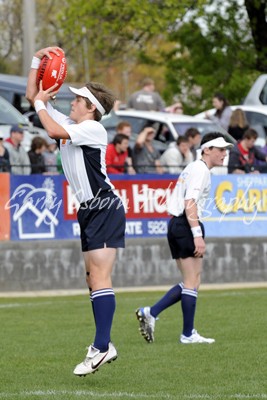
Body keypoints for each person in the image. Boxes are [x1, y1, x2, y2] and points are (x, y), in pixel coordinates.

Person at [26, 46, 126, 376]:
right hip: (90, 209)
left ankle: (100, 347)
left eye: (78, 99)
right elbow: (32, 98)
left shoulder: (93, 128)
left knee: (99, 276)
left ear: (91, 108)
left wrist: (43, 103)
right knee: (91, 278)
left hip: (104, 207)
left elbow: (51, 127)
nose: (72, 102)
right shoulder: (73, 122)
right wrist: (36, 63)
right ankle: (103, 345)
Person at [136, 132, 233, 344]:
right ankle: (187, 333)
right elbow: (190, 202)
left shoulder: (195, 168)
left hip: (178, 224)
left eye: (225, 150)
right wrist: (197, 234)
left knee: (192, 281)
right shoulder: (200, 170)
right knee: (192, 281)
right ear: (207, 149)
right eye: (220, 149)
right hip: (185, 224)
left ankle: (152, 312)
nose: (224, 153)